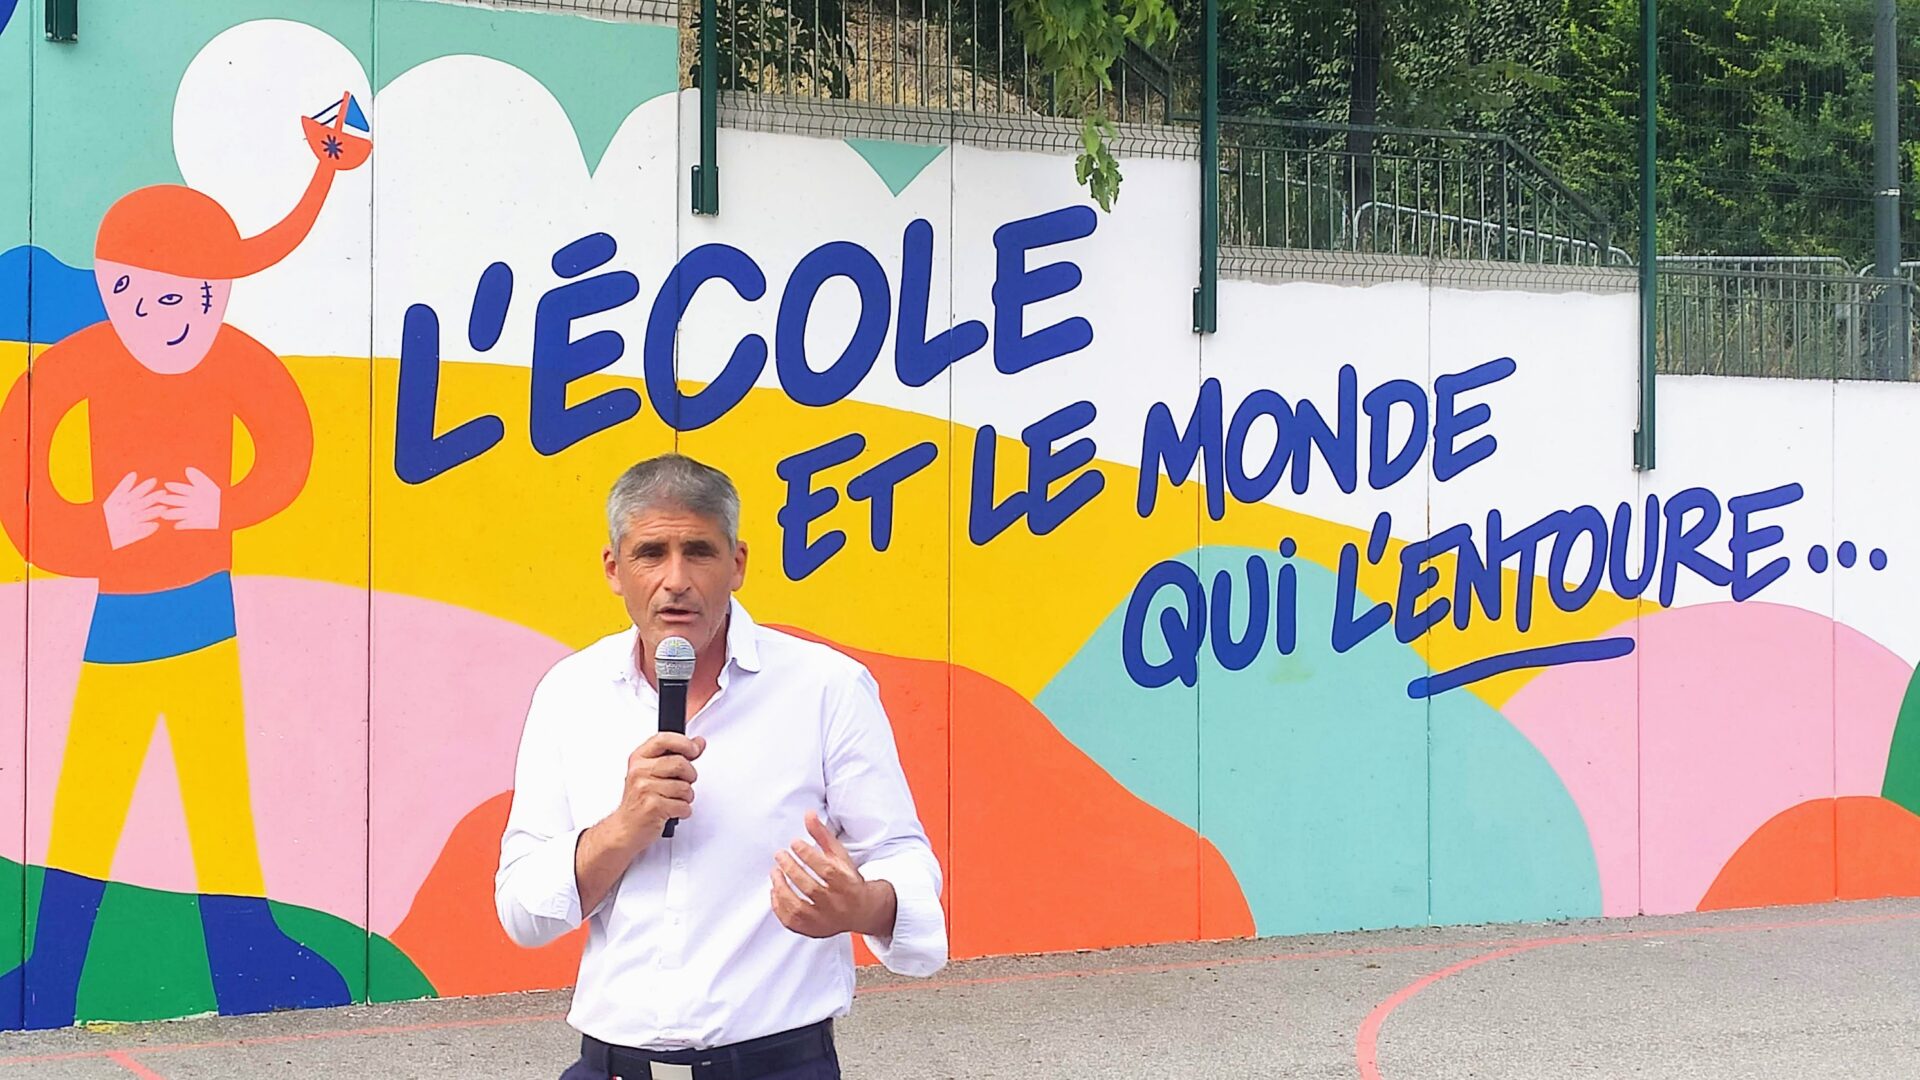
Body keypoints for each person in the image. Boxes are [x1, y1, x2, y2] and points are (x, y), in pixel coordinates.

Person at [0, 93, 370, 1030]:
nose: (151, 316)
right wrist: (100, 528)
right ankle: (51, 976)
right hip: (121, 623)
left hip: (206, 616)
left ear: (216, 295)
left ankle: (248, 966)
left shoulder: (235, 362)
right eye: (127, 294)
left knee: (217, 802)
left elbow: (288, 448)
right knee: (89, 804)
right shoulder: (83, 362)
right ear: (105, 287)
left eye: (174, 298)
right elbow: (19, 483)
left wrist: (224, 505)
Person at [495, 453, 947, 1080]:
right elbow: (523, 914)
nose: (676, 580)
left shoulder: (825, 686)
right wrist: (622, 828)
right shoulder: (570, 692)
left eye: (699, 552)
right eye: (651, 553)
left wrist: (865, 906)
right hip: (611, 1065)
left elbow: (899, 853)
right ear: (614, 569)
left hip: (778, 1066)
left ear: (737, 564)